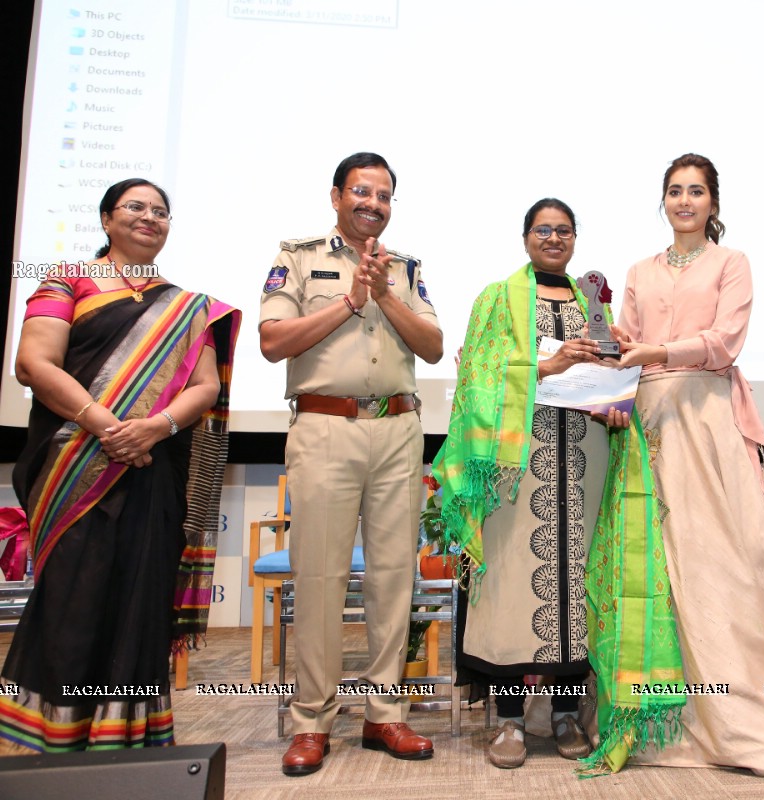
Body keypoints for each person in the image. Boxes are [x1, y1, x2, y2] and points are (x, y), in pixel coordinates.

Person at [588, 153, 764, 778]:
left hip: (707, 418)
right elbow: (622, 343)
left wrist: (652, 350)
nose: (685, 201)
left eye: (696, 191)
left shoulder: (731, 264)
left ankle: (753, 728)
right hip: (650, 419)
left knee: (728, 566)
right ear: (664, 201)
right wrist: (596, 360)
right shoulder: (638, 269)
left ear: (713, 202)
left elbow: (725, 343)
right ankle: (661, 724)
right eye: (675, 191)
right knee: (660, 566)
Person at [0, 178, 240, 751]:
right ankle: (55, 738)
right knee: (73, 597)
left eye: (161, 211)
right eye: (136, 207)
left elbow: (204, 386)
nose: (150, 218)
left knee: (140, 597)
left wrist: (156, 427)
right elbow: (34, 362)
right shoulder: (68, 281)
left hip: (153, 469)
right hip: (75, 465)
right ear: (107, 219)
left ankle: (129, 740)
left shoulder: (188, 307)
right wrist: (106, 426)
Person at [259, 152, 443, 776]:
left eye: (384, 195)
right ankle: (312, 720)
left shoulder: (407, 267)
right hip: (325, 426)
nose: (373, 203)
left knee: (395, 577)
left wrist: (385, 295)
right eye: (361, 192)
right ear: (336, 196)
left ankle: (385, 714)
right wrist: (348, 301)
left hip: (398, 428)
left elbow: (433, 345)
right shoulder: (297, 256)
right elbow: (272, 342)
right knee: (319, 578)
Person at [433, 198, 629, 769]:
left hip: (585, 453)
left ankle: (567, 713)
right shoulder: (497, 298)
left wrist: (617, 402)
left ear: (574, 239)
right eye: (542, 229)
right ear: (525, 238)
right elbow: (475, 370)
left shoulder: (594, 300)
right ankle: (512, 721)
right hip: (515, 459)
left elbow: (615, 366)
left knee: (576, 579)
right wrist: (546, 365)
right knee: (514, 583)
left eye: (563, 230)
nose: (553, 238)